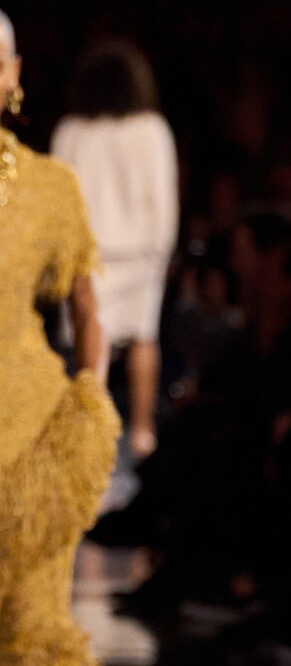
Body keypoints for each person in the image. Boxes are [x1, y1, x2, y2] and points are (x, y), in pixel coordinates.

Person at [0, 11, 120, 666]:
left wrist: (88, 408)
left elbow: (88, 312)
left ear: (13, 77)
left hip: (28, 457)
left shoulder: (50, 188)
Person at [51, 40, 178, 458]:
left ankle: (91, 436)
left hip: (90, 256)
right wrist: (162, 251)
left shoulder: (70, 131)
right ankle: (143, 430)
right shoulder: (150, 130)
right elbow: (163, 198)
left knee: (91, 342)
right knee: (142, 337)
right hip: (138, 254)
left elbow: (61, 202)